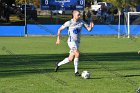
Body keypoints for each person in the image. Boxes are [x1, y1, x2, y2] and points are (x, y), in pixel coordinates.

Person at [55, 10, 94, 76]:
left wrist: (91, 25)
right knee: (77, 54)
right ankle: (76, 72)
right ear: (74, 15)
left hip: (77, 42)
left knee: (70, 59)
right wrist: (58, 39)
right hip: (71, 41)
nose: (79, 16)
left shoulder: (81, 22)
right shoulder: (69, 22)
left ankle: (58, 64)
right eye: (78, 15)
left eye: (79, 15)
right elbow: (59, 29)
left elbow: (89, 30)